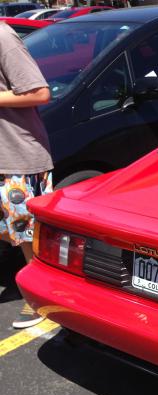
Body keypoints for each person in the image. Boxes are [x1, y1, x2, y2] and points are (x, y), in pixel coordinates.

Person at [0, 21, 53, 328]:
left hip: (17, 156)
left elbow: (39, 92)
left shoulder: (3, 36)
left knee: (27, 235)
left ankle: (40, 300)